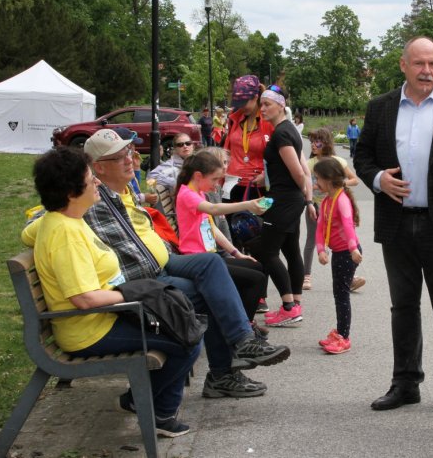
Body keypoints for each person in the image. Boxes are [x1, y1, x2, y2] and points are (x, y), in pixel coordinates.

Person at [23, 129, 291, 400]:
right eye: (119, 157)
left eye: (128, 152)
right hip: (140, 281)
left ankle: (242, 341)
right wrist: (42, 228)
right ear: (98, 168)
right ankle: (223, 372)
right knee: (208, 296)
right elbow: (45, 217)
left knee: (213, 265)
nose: (130, 159)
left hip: (163, 262)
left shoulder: (121, 191)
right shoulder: (86, 199)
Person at [353, 36, 433, 419]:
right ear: (403, 65)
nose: (427, 71)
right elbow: (362, 155)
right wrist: (378, 179)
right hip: (396, 223)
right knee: (404, 308)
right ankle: (406, 384)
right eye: (419, 63)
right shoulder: (380, 107)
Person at [30, 146, 200, 437]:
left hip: (104, 316)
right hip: (89, 330)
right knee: (187, 339)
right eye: (89, 177)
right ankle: (149, 408)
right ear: (71, 191)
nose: (96, 181)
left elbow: (33, 230)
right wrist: (138, 294)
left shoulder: (67, 219)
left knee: (183, 322)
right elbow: (84, 298)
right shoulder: (65, 233)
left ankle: (150, 406)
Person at [174, 150, 269, 327]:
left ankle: (242, 322)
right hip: (198, 260)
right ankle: (243, 330)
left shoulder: (198, 193)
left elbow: (212, 228)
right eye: (214, 179)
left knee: (255, 266)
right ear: (198, 176)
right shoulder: (187, 195)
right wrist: (248, 204)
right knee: (255, 279)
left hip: (210, 257)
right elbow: (214, 209)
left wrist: (236, 253)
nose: (217, 185)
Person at [247, 85, 314, 327]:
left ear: (280, 105)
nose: (262, 109)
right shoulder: (290, 130)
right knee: (290, 250)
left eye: (267, 104)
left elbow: (299, 172)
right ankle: (295, 303)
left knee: (265, 251)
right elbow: (301, 170)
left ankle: (288, 306)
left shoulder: (282, 134)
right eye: (261, 104)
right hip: (290, 198)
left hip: (283, 201)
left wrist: (308, 198)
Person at [302, 127, 362, 292]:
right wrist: (310, 193)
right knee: (312, 239)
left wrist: (338, 184)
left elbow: (354, 180)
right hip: (316, 206)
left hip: (335, 206)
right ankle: (306, 275)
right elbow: (303, 186)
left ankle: (348, 277)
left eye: (317, 141)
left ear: (326, 142)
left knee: (344, 240)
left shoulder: (338, 161)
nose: (313, 144)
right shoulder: (309, 163)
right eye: (312, 141)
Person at [314, 158, 362, 354]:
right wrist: (321, 250)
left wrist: (353, 249)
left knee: (341, 295)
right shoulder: (326, 201)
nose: (315, 183)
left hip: (347, 253)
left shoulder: (341, 200)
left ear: (329, 180)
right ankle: (340, 333)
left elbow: (349, 225)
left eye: (318, 179)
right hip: (338, 252)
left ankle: (344, 337)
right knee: (339, 294)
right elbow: (319, 228)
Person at [223, 75, 275, 203]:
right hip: (232, 184)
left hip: (258, 187)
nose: (241, 106)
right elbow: (228, 150)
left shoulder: (269, 122)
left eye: (244, 101)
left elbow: (280, 157)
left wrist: (266, 176)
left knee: (257, 223)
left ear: (256, 97)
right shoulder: (234, 119)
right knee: (231, 222)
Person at [117, 127, 159, 206]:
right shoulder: (118, 168)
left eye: (134, 145)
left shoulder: (127, 165)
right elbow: (123, 198)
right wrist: (144, 198)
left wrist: (136, 169)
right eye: (131, 145)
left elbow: (135, 189)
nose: (133, 148)